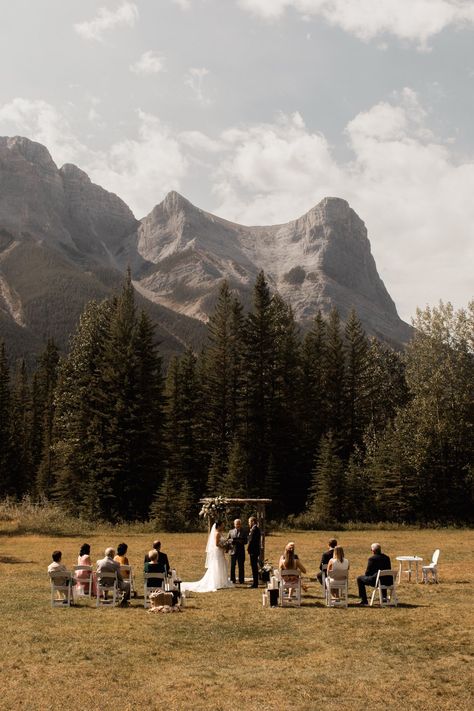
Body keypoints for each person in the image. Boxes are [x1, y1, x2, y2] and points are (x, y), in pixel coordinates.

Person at [181, 521, 233, 593]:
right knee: (217, 565)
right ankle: (216, 582)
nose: (223, 527)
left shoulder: (220, 533)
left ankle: (221, 581)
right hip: (218, 552)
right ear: (218, 526)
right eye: (222, 525)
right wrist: (224, 547)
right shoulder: (217, 533)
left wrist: (226, 546)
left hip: (220, 552)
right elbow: (216, 544)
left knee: (221, 565)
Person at [227, 518, 247, 584]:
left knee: (241, 566)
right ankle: (232, 580)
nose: (238, 525)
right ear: (234, 524)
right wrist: (231, 541)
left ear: (240, 524)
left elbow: (246, 541)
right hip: (233, 551)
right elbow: (228, 540)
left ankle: (241, 580)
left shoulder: (244, 531)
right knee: (232, 566)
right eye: (236, 524)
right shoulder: (230, 531)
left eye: (239, 524)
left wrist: (239, 541)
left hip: (241, 551)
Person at [247, 516, 261, 588]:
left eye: (249, 522)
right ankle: (255, 582)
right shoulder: (254, 529)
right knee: (254, 566)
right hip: (254, 550)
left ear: (253, 522)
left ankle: (255, 583)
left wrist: (248, 549)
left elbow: (251, 540)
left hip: (253, 550)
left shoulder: (255, 529)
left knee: (254, 567)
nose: (249, 523)